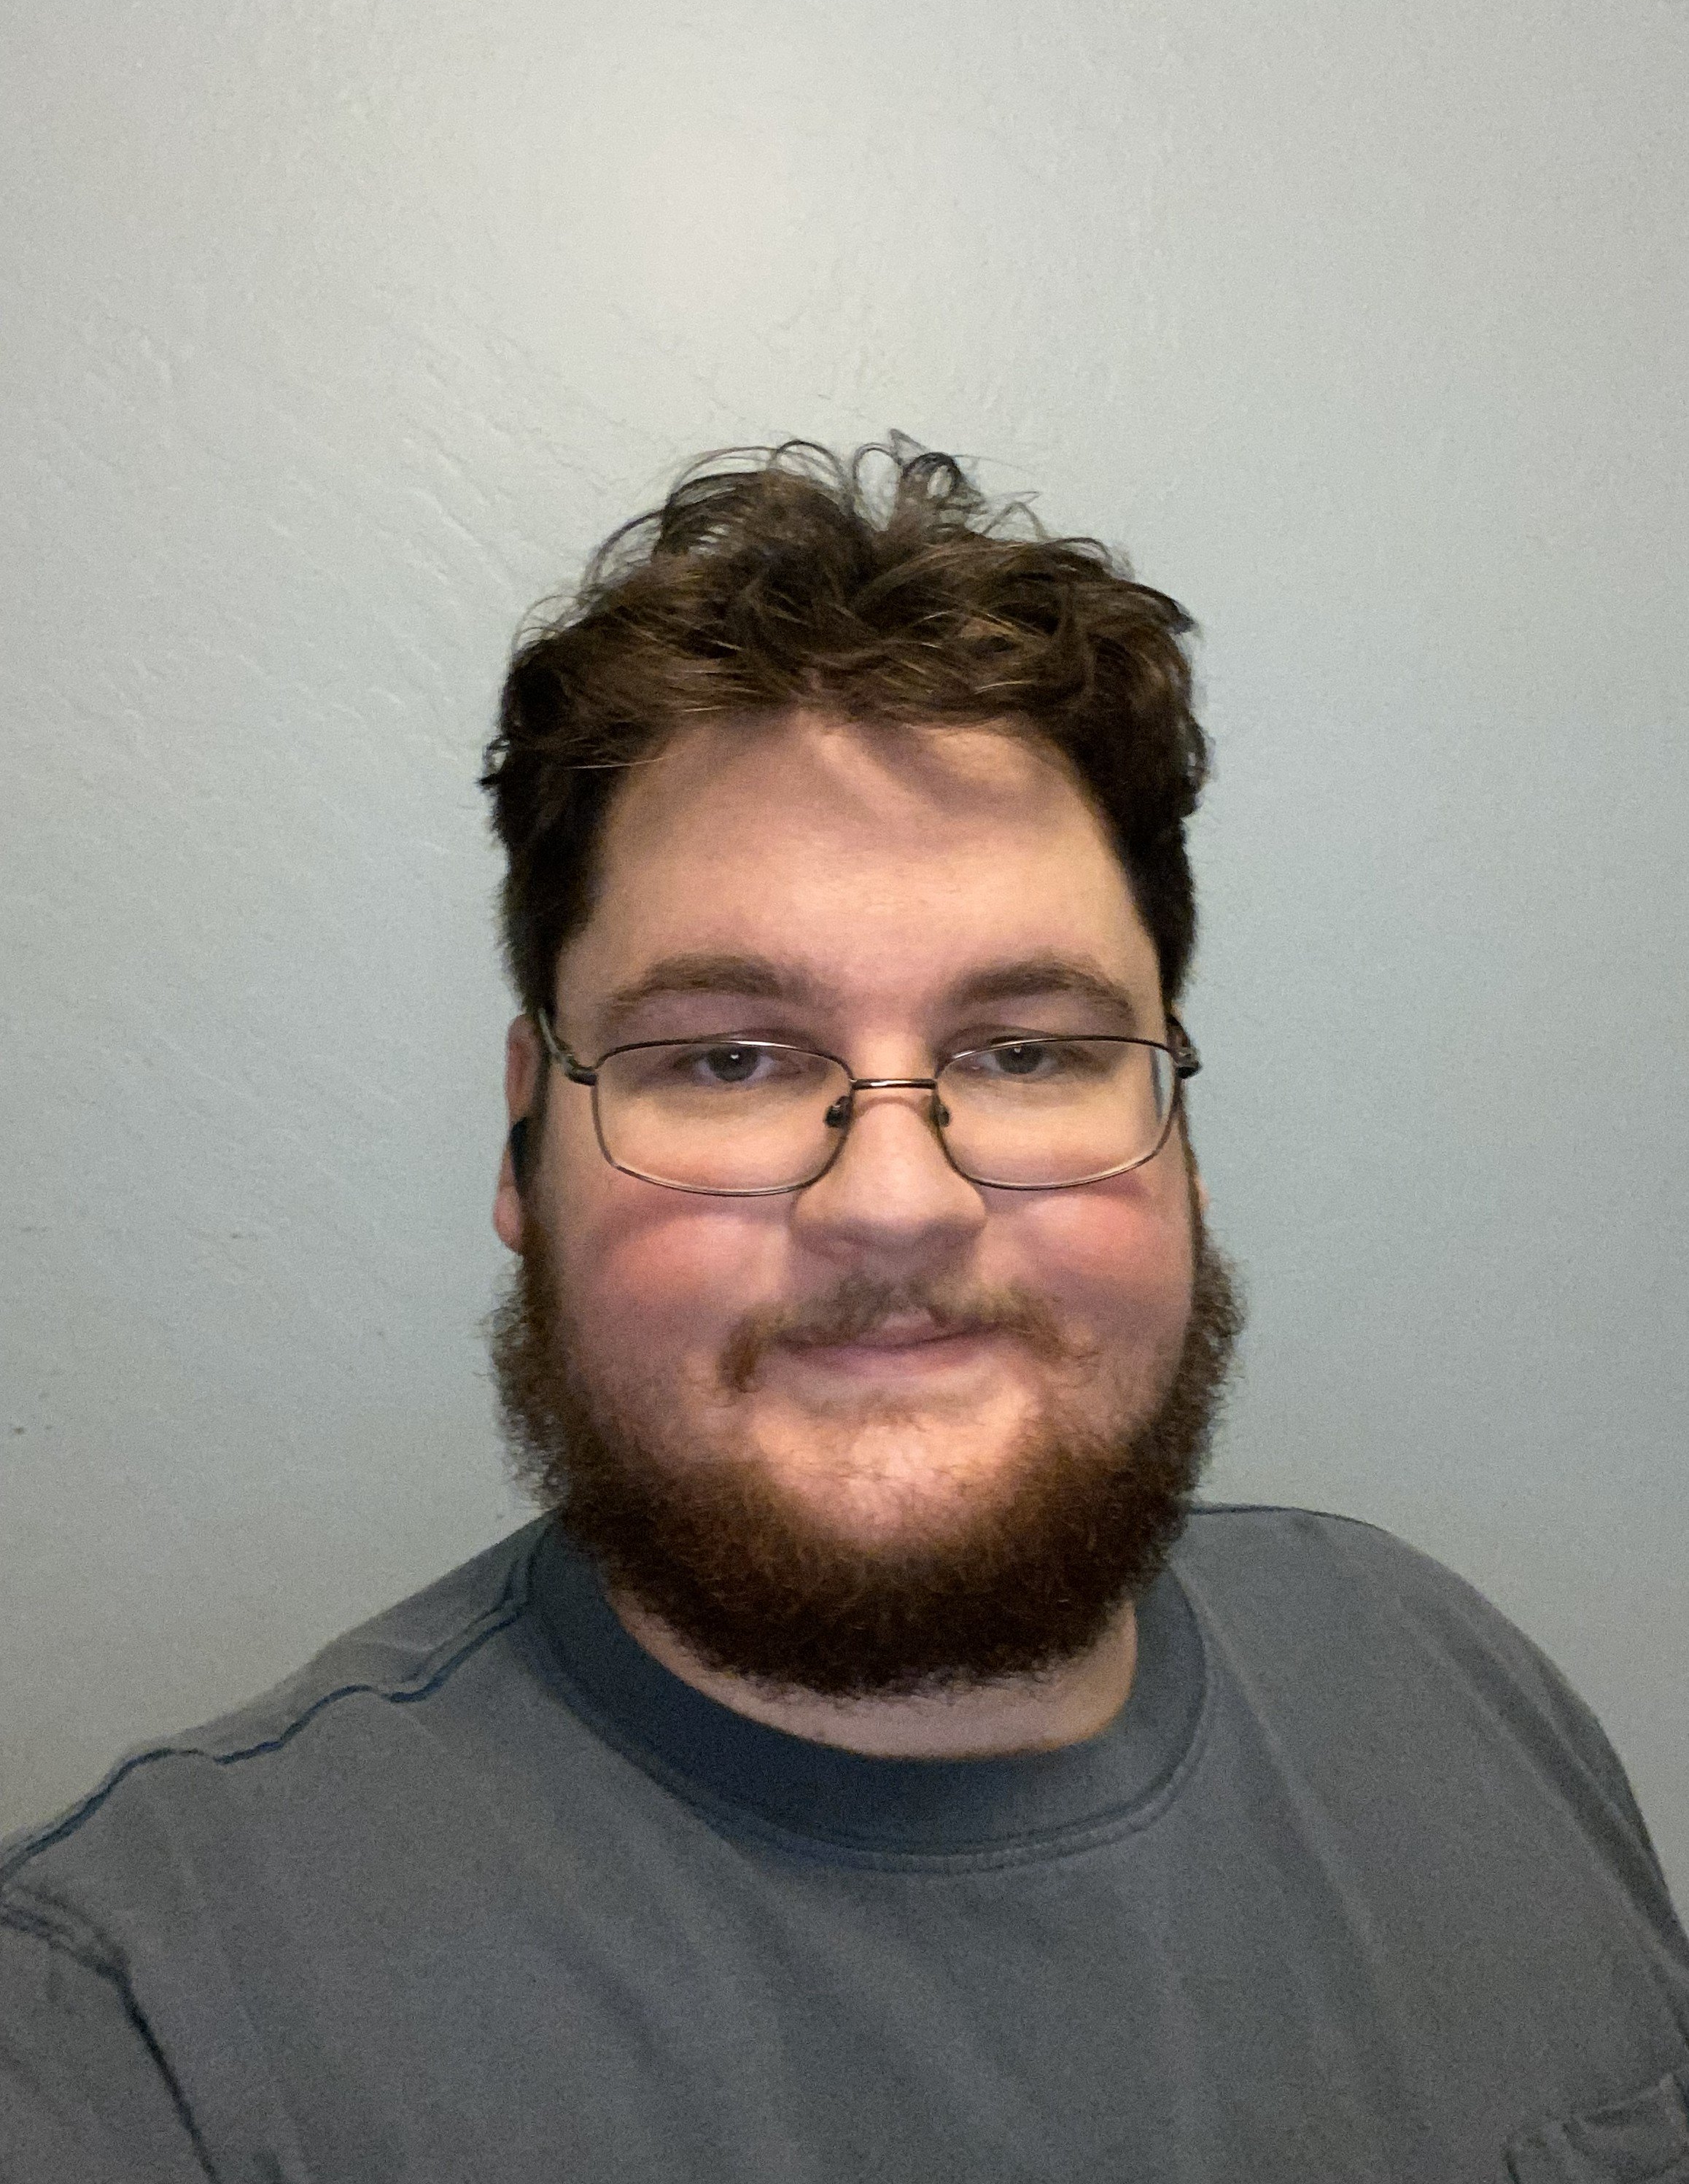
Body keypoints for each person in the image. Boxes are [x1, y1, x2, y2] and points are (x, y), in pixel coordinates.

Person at [2, 442, 1685, 2183]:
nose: (895, 1202)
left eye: (1027, 1049)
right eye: (729, 1057)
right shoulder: (150, 2033)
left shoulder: (1459, 1683)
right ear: (527, 1131)